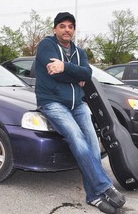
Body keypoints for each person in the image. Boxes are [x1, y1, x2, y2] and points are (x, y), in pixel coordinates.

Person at [34, 12, 126, 214]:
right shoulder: (46, 45)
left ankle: (93, 196)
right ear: (55, 29)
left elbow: (87, 74)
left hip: (78, 104)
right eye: (62, 26)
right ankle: (103, 186)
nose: (67, 29)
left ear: (73, 30)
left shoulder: (79, 52)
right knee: (76, 137)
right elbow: (55, 75)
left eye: (70, 26)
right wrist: (76, 75)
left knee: (92, 143)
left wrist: (65, 67)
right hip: (53, 102)